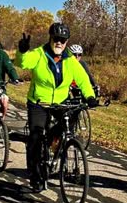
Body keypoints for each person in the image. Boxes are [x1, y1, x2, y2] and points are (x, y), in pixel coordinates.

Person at [15, 22, 98, 192]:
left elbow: (82, 79)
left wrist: (90, 96)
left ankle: (54, 141)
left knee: (70, 119)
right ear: (50, 38)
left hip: (60, 102)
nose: (59, 42)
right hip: (39, 102)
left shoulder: (70, 60)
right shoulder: (39, 54)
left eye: (63, 40)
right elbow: (22, 63)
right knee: (36, 138)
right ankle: (36, 175)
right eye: (56, 39)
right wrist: (22, 51)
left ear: (67, 41)